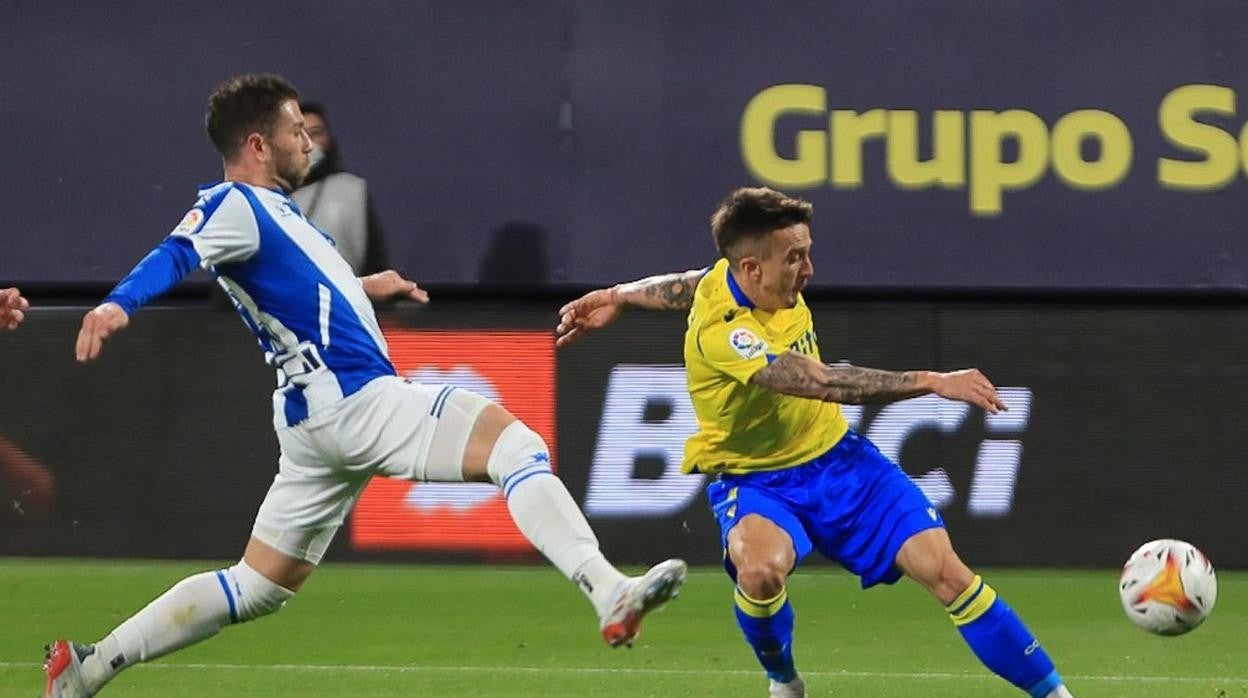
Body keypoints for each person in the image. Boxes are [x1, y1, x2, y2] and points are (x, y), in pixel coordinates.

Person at [42, 74, 686, 698]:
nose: (309, 143)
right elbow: (179, 252)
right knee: (513, 446)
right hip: (351, 398)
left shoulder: (278, 214)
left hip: (312, 423)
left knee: (259, 584)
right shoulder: (232, 203)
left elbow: (299, 291)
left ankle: (89, 668)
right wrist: (118, 304)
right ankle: (607, 590)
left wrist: (364, 288)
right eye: (296, 130)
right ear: (258, 145)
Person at [555, 187, 1074, 698]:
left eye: (807, 252)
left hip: (840, 463)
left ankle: (1055, 695)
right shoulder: (727, 333)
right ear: (752, 269)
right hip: (759, 481)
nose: (809, 270)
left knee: (950, 575)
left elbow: (689, 283)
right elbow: (823, 383)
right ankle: (784, 680)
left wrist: (619, 295)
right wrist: (932, 380)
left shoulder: (729, 277)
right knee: (758, 574)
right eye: (795, 258)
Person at [289, 101, 388, 275]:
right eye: (299, 134)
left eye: (316, 133)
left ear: (327, 139)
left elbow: (374, 260)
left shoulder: (352, 190)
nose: (309, 143)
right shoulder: (269, 194)